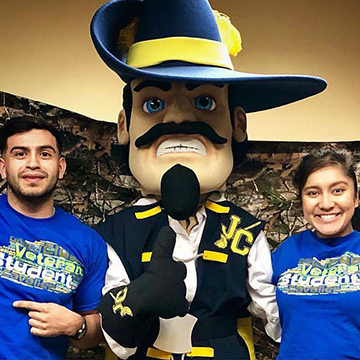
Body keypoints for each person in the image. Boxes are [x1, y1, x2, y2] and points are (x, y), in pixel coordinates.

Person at [90, 0, 327, 359]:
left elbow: (274, 312)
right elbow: (113, 336)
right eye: (153, 103)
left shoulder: (244, 229)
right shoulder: (116, 232)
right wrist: (138, 298)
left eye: (204, 101)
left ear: (238, 125)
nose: (179, 118)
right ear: (124, 126)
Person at [0, 116, 107, 360]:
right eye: (20, 154)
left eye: (45, 154)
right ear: (3, 167)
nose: (33, 163)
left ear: (61, 167)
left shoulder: (88, 242)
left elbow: (94, 330)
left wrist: (76, 326)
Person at [271, 146, 360, 360]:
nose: (326, 204)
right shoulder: (288, 250)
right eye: (313, 193)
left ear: (356, 198)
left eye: (338, 190)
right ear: (302, 201)